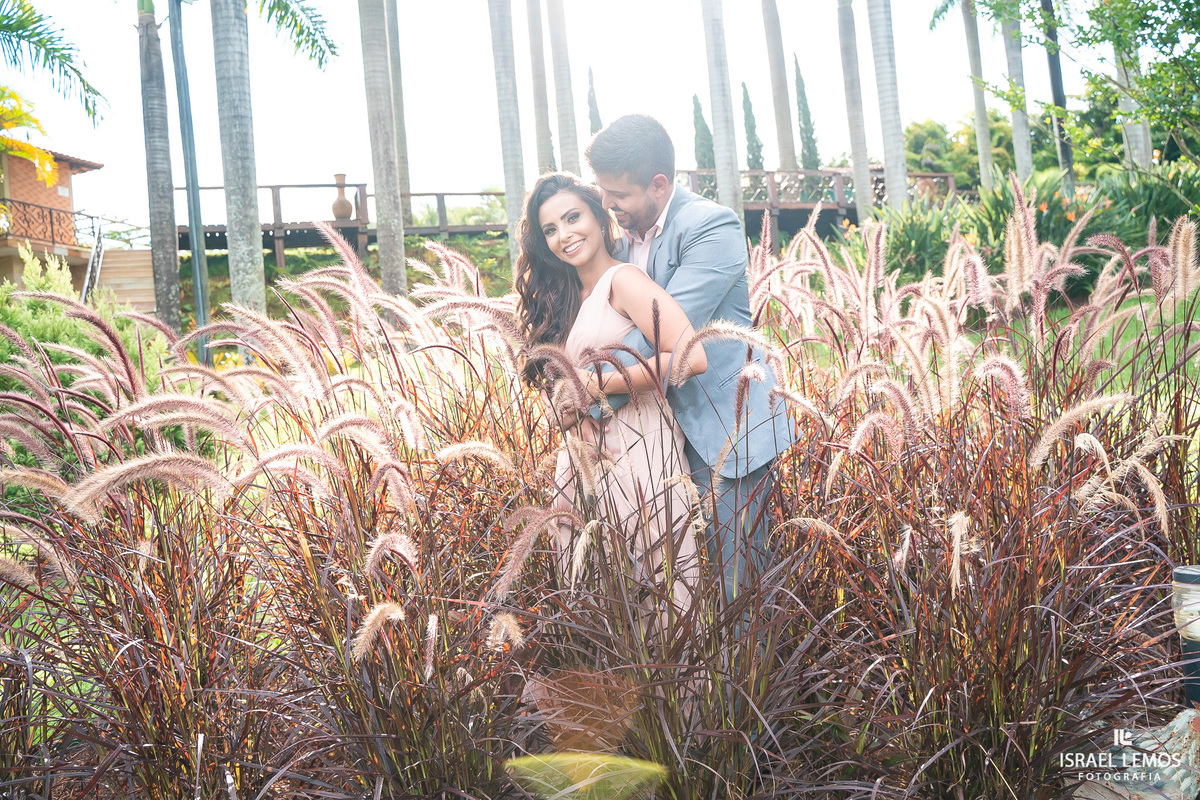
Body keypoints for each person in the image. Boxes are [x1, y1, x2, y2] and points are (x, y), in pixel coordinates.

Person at [583, 114, 795, 604]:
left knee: (734, 582)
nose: (607, 205)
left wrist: (584, 392)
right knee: (679, 584)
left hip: (725, 429)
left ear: (659, 184)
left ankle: (747, 681)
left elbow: (659, 334)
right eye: (601, 191)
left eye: (618, 193)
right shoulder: (621, 234)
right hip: (655, 436)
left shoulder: (709, 226)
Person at [514, 172, 704, 615]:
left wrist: (598, 384)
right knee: (600, 601)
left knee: (660, 594)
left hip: (639, 454)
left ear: (599, 216)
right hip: (582, 464)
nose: (564, 235)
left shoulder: (625, 282)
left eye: (572, 217)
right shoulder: (562, 299)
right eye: (550, 229)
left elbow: (691, 356)